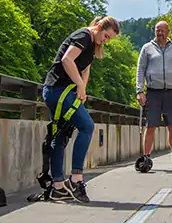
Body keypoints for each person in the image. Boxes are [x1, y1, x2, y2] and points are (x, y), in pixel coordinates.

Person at [42, 16, 120, 202]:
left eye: (109, 39)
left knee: (60, 135)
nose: (106, 41)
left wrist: (81, 90)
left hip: (65, 92)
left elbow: (85, 69)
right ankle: (76, 179)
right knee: (87, 126)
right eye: (106, 36)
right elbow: (67, 60)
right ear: (99, 27)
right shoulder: (83, 36)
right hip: (57, 90)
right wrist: (80, 85)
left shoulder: (92, 44)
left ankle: (58, 187)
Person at [136, 21, 172, 170]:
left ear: (168, 32)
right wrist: (139, 91)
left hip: (171, 92)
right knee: (150, 126)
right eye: (157, 30)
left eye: (162, 31)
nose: (159, 33)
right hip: (153, 92)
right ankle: (146, 158)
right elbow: (140, 70)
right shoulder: (147, 48)